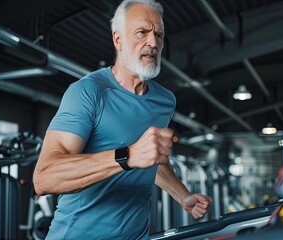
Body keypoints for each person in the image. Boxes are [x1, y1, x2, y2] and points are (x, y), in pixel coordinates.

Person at [32, 0, 212, 239]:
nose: (153, 43)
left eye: (159, 35)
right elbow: (44, 177)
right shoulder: (88, 92)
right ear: (118, 40)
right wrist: (126, 155)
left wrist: (183, 195)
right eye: (142, 32)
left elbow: (153, 159)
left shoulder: (164, 100)